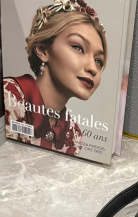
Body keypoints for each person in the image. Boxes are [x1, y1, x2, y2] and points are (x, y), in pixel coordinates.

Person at [3, 0, 107, 156]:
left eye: (99, 61)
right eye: (78, 47)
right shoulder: (8, 96)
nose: (93, 68)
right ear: (43, 50)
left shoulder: (73, 134)